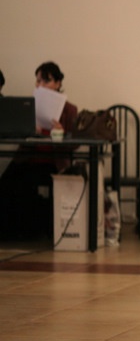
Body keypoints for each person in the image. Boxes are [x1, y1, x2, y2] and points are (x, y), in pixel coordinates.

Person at [0, 62, 79, 240]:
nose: (40, 85)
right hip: (29, 158)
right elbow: (16, 135)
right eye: (38, 81)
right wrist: (28, 129)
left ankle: (38, 229)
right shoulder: (28, 106)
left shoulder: (69, 109)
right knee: (7, 182)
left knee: (33, 184)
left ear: (57, 83)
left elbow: (74, 144)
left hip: (54, 162)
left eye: (46, 81)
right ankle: (12, 231)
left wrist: (60, 133)